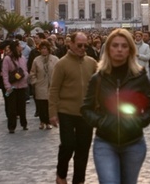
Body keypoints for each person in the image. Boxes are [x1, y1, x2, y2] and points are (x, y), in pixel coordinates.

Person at [81, 28, 150, 184]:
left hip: (133, 142)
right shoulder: (98, 78)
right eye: (115, 45)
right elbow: (86, 108)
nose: (120, 49)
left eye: (124, 46)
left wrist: (139, 122)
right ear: (108, 49)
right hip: (105, 142)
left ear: (130, 49)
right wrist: (101, 122)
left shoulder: (139, 76)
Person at [48, 32, 98, 184]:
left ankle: (79, 180)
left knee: (83, 149)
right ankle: (61, 174)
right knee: (68, 145)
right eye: (79, 45)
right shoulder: (62, 64)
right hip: (66, 112)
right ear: (71, 44)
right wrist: (52, 112)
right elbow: (54, 88)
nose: (83, 48)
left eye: (85, 45)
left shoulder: (92, 63)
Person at [30, 40, 59, 130]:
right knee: (41, 105)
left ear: (48, 49)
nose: (43, 50)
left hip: (51, 85)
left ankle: (48, 122)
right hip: (40, 85)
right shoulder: (36, 60)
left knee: (49, 105)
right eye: (42, 49)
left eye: (45, 49)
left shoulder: (55, 59)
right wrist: (34, 81)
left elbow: (59, 71)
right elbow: (32, 72)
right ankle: (42, 121)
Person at [2, 40, 29, 133]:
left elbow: (25, 70)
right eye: (19, 45)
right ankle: (11, 126)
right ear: (16, 47)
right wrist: (7, 86)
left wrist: (26, 79)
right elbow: (5, 74)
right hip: (12, 87)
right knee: (12, 108)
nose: (21, 47)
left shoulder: (23, 58)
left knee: (22, 107)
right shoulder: (7, 59)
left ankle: (24, 123)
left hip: (22, 86)